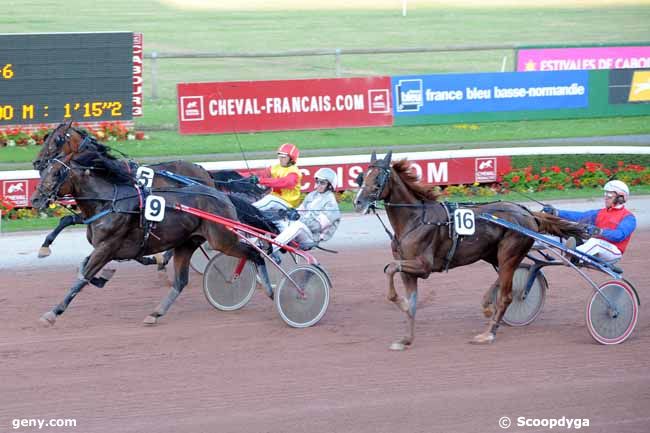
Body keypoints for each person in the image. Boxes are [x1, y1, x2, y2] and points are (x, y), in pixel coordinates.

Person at [543, 180, 637, 263]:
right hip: (595, 248)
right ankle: (536, 243)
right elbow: (580, 216)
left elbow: (619, 235)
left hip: (613, 252)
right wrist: (556, 212)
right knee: (566, 234)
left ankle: (572, 256)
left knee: (595, 242)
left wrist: (599, 231)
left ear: (621, 197)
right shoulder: (599, 213)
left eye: (609, 194)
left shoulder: (629, 217)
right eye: (605, 194)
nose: (606, 197)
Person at [271, 167, 341, 258]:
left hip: (312, 237)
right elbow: (300, 211)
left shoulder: (331, 204)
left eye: (322, 183)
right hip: (302, 231)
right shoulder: (312, 195)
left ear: (330, 185)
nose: (318, 185)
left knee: (298, 226)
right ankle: (257, 244)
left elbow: (316, 226)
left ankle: (271, 249)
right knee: (278, 220)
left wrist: (298, 218)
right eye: (317, 181)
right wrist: (288, 213)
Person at [252, 143, 302, 214]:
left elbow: (283, 182)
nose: (280, 159)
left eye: (283, 157)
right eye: (279, 156)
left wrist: (260, 180)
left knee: (270, 200)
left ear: (291, 158)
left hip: (289, 204)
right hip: (276, 200)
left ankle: (249, 210)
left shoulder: (294, 172)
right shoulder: (276, 167)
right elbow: (261, 174)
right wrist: (240, 175)